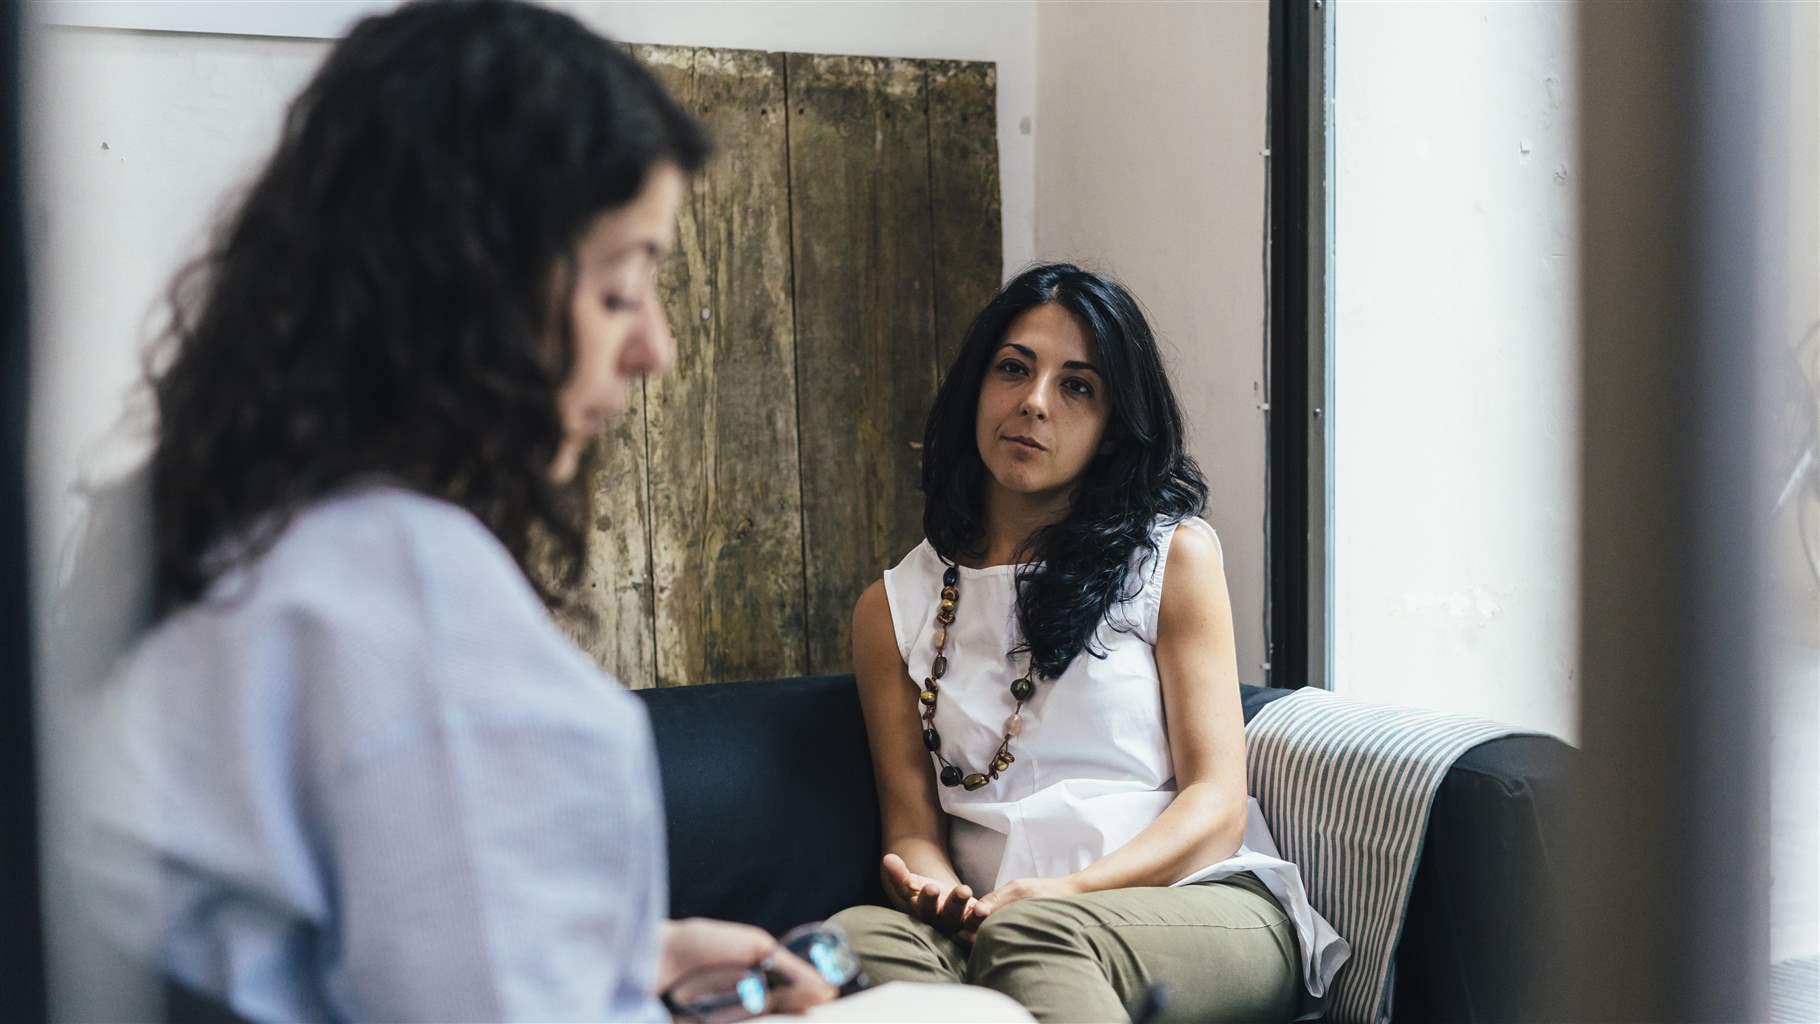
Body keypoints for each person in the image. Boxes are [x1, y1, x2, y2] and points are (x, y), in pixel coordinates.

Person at [65, 2, 839, 1020]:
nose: (657, 348)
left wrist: (631, 949)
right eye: (618, 291)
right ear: (474, 299)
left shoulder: (206, 539)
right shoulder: (412, 596)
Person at [828, 263, 1348, 1023]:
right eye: (1013, 369)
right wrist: (941, 891)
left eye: (1077, 386)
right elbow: (911, 824)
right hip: (997, 920)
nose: (1033, 403)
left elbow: (1216, 805)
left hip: (1194, 904)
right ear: (977, 386)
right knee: (856, 941)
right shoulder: (892, 608)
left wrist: (1064, 895)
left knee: (1037, 938)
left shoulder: (1171, 559)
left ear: (1111, 427)